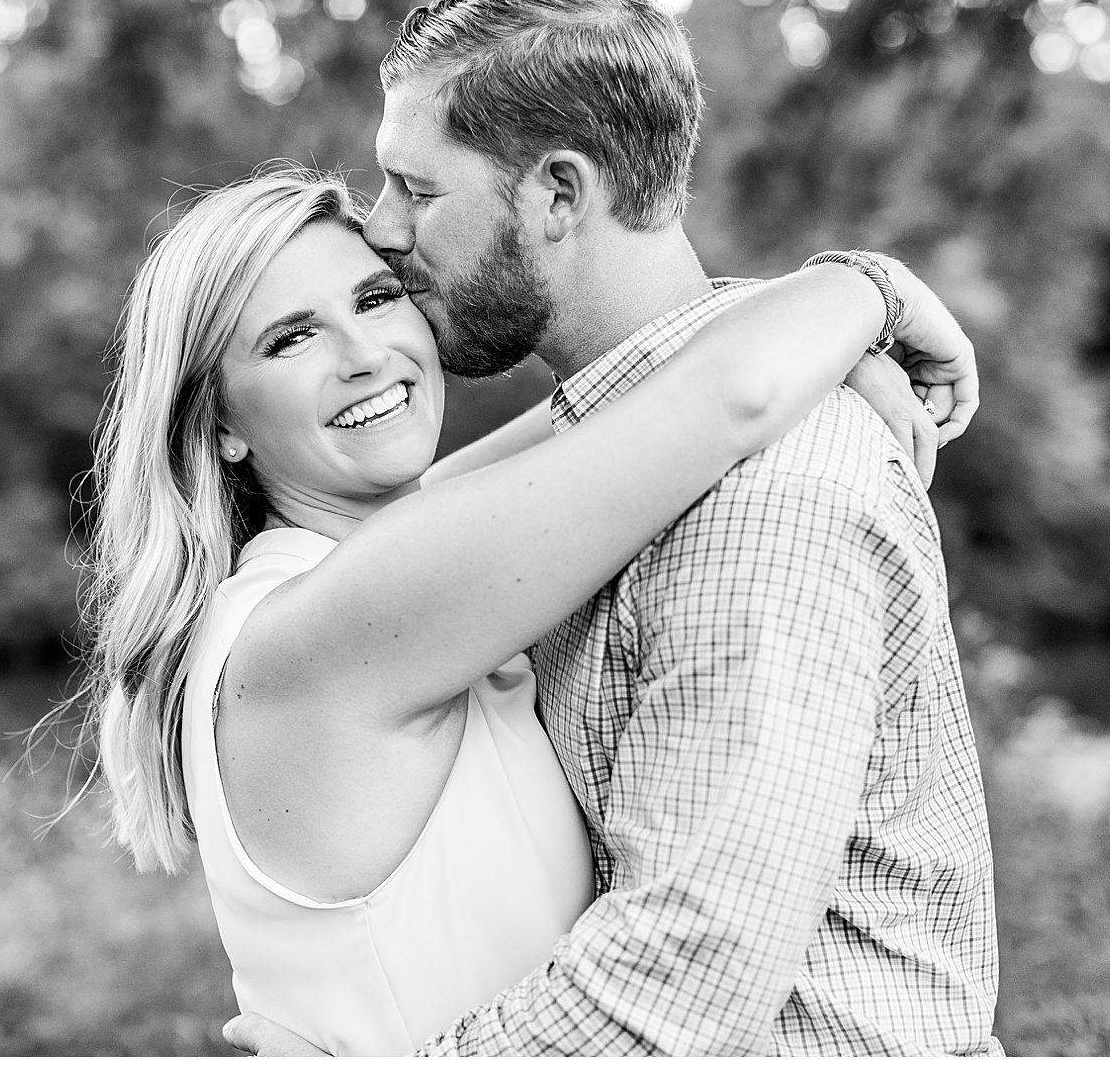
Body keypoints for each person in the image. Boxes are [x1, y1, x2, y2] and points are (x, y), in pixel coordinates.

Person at [223, 0, 1000, 1056]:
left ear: (556, 193)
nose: (386, 227)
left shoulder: (760, 499)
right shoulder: (607, 466)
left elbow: (675, 980)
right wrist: (844, 296)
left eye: (419, 187)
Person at [79, 165, 974, 1055]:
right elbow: (726, 395)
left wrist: (825, 348)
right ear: (221, 425)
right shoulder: (333, 621)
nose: (365, 355)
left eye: (378, 297)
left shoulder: (370, 562)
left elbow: (616, 400)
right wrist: (869, 287)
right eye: (290, 340)